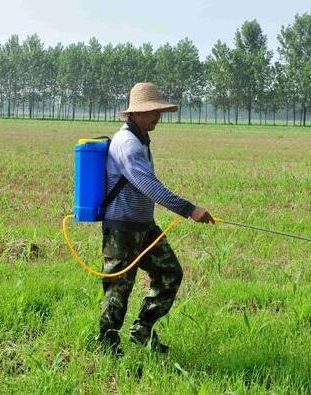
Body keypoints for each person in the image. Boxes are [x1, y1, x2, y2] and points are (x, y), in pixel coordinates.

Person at [96, 82, 214, 355]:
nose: (156, 116)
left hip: (145, 227)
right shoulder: (127, 144)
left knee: (170, 273)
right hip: (122, 229)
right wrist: (189, 209)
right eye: (150, 111)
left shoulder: (140, 140)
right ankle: (107, 344)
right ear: (134, 114)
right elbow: (149, 186)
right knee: (119, 289)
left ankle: (142, 329)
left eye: (158, 111)